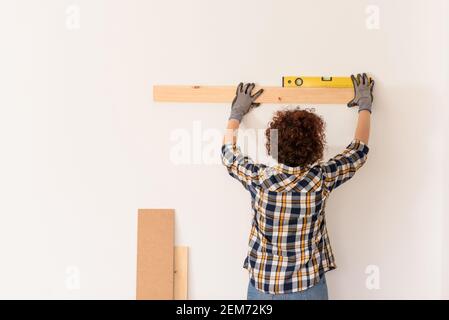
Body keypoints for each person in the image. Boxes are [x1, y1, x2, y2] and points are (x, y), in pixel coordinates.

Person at [221, 74, 374, 300]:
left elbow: (228, 154)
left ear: (273, 146)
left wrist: (236, 113)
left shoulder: (259, 180)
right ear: (315, 146)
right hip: (308, 287)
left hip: (265, 286)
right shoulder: (320, 180)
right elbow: (358, 151)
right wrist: (365, 105)